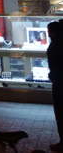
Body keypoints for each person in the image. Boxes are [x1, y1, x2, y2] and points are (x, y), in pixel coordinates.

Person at [48, 20, 63, 151]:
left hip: (59, 85)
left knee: (60, 114)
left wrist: (53, 76)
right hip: (59, 82)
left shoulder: (57, 44)